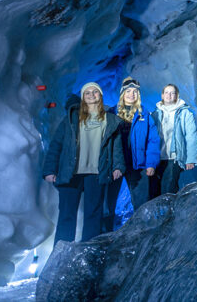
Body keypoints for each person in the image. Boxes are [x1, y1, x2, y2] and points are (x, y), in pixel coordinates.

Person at [42, 82, 125, 244]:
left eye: (95, 92)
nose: (91, 95)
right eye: (87, 92)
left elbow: (116, 146)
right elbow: (56, 144)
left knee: (94, 214)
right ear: (82, 97)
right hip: (70, 171)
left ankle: (88, 251)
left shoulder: (109, 120)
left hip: (96, 172)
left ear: (100, 96)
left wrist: (118, 166)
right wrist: (49, 169)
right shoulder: (71, 118)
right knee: (66, 214)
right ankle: (61, 253)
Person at [113, 76, 160, 212]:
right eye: (128, 91)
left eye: (135, 92)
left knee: (141, 204)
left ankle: (142, 226)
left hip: (138, 165)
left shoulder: (144, 115)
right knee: (108, 204)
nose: (131, 94)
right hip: (116, 165)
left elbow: (153, 140)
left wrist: (151, 163)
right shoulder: (111, 113)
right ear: (122, 93)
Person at [151, 84, 197, 195]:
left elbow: (191, 136)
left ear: (177, 96)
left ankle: (170, 207)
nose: (169, 95)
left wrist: (191, 159)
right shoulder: (155, 114)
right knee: (155, 191)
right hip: (157, 158)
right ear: (162, 95)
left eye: (172, 93)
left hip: (174, 158)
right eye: (166, 92)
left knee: (169, 189)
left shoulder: (185, 113)